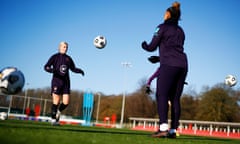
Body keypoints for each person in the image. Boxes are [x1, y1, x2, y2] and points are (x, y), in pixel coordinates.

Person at [141, 1, 188, 138]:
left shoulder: (161, 27)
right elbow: (173, 50)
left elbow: (151, 46)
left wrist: (144, 45)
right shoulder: (181, 31)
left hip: (169, 66)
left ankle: (163, 128)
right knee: (175, 99)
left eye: (164, 13)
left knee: (161, 95)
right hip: (183, 65)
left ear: (168, 14)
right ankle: (173, 130)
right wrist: (159, 58)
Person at [44, 41, 84, 125]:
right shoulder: (54, 57)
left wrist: (80, 71)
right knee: (56, 101)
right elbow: (46, 67)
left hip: (66, 82)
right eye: (63, 46)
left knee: (66, 102)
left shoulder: (68, 58)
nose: (65, 48)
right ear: (59, 47)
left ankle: (58, 111)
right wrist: (52, 70)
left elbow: (73, 68)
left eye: (66, 47)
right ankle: (53, 120)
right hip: (56, 81)